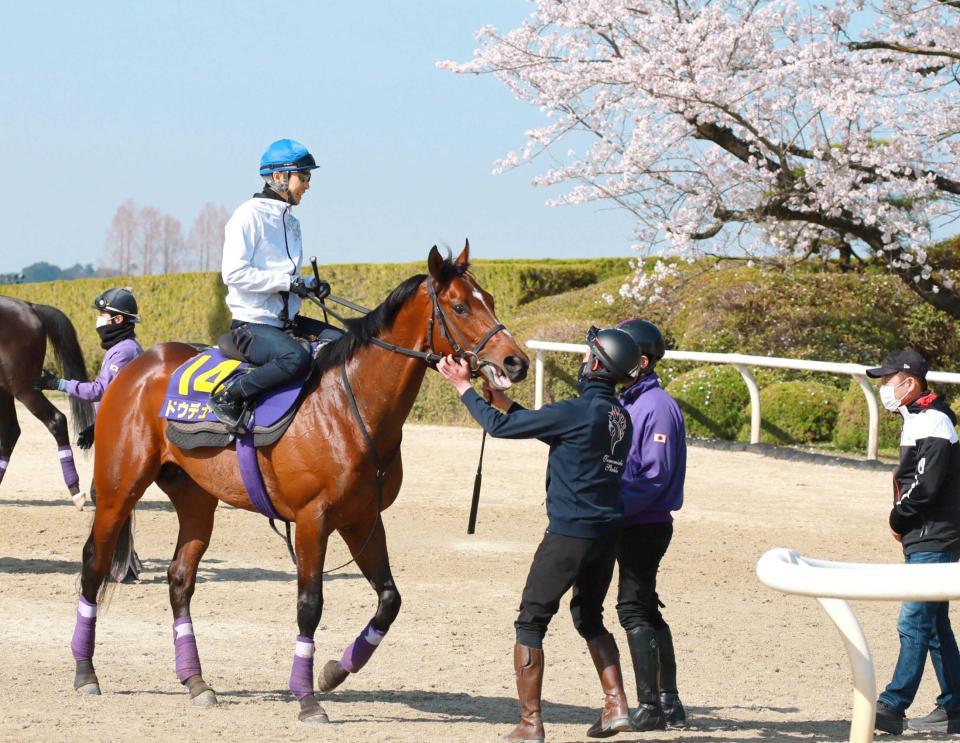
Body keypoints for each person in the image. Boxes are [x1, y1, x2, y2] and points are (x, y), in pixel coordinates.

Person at [438, 326, 641, 742]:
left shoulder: (574, 411)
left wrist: (462, 388)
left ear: (597, 364)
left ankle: (530, 723)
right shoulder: (621, 415)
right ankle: (616, 703)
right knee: (589, 618)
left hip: (568, 534)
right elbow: (526, 421)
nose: (584, 362)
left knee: (530, 622)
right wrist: (494, 390)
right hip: (606, 534)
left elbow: (499, 427)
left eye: (588, 357)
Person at [211, 138, 341, 430]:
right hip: (251, 325)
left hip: (287, 323)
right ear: (280, 177)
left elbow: (287, 276)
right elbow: (233, 273)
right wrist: (287, 282)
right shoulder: (246, 216)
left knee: (346, 344)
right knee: (295, 359)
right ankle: (231, 395)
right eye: (303, 177)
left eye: (308, 178)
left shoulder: (292, 223)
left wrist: (308, 284)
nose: (307, 185)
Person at [866, 349, 960, 735]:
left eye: (889, 380)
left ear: (910, 381)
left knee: (914, 620)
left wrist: (897, 517)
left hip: (933, 536)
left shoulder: (933, 420)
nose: (885, 388)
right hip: (926, 535)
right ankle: (955, 707)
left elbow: (925, 487)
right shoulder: (920, 418)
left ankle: (892, 704)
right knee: (935, 624)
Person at [34, 287, 144, 580]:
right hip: (118, 433)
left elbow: (99, 391)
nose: (99, 320)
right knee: (107, 495)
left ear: (118, 321)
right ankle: (126, 561)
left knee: (105, 494)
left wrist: (59, 384)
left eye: (103, 315)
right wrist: (96, 428)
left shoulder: (124, 352)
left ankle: (124, 563)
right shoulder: (121, 349)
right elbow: (116, 399)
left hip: (126, 440)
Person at [614, 318, 688, 731]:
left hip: (644, 522)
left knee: (634, 609)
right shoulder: (632, 400)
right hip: (637, 519)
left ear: (641, 361)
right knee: (644, 606)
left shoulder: (656, 406)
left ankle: (653, 707)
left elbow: (655, 476)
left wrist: (613, 508)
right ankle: (667, 700)